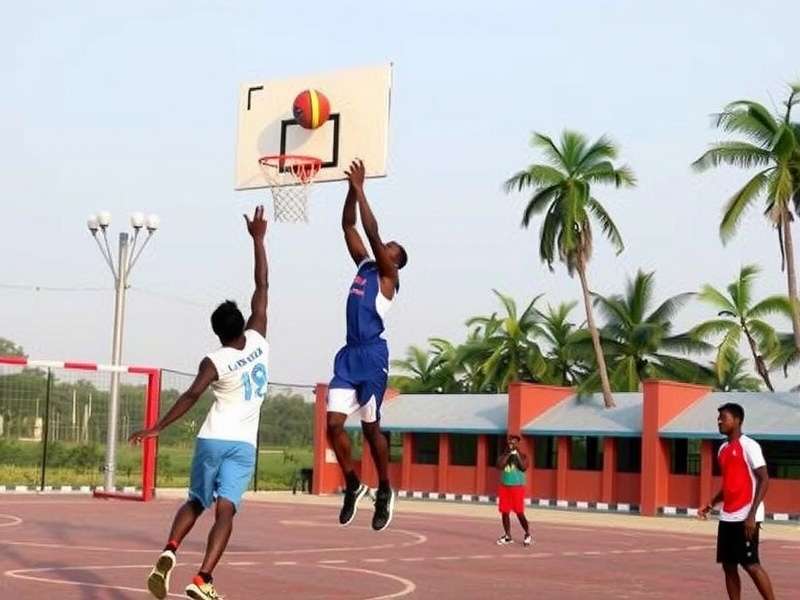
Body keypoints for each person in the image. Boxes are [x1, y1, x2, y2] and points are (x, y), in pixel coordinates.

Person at [129, 206, 270, 600]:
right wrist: (258, 239)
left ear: (216, 332)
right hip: (241, 447)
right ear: (242, 322)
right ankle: (203, 578)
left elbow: (191, 395)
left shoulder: (214, 360)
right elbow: (262, 285)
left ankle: (170, 550)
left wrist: (157, 426)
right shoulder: (259, 339)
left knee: (196, 501)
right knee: (226, 510)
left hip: (211, 440)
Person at [325, 159, 408, 531]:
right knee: (333, 425)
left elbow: (372, 231)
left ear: (396, 262)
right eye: (386, 245)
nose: (384, 246)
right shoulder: (364, 266)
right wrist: (348, 192)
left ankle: (385, 488)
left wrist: (362, 189)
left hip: (373, 356)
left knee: (372, 431)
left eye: (391, 247)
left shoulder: (388, 277)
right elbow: (348, 226)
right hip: (348, 354)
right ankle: (354, 482)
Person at [698, 403, 776, 600]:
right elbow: (729, 485)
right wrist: (711, 503)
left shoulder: (750, 446)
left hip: (747, 516)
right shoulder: (722, 450)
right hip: (728, 516)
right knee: (728, 565)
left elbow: (764, 478)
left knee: (751, 564)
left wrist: (751, 516)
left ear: (737, 420)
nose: (719, 421)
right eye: (719, 418)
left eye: (724, 418)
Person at [496, 435, 533, 547]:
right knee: (505, 511)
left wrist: (516, 455)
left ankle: (527, 534)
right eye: (510, 443)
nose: (511, 444)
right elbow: (499, 465)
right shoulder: (504, 456)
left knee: (519, 512)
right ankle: (508, 536)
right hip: (505, 487)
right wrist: (508, 454)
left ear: (518, 444)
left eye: (514, 442)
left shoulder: (523, 456)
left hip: (517, 487)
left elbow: (523, 467)